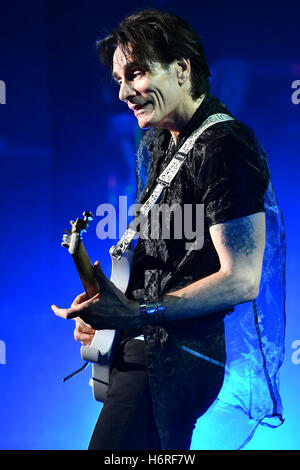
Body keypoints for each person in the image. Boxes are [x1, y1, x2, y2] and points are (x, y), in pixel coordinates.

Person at [52, 9, 285, 450]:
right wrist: (109, 311)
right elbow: (163, 253)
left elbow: (242, 279)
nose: (123, 92)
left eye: (136, 74)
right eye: (118, 80)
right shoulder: (158, 140)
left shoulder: (226, 144)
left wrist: (137, 314)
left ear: (182, 69)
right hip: (145, 345)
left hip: (179, 355)